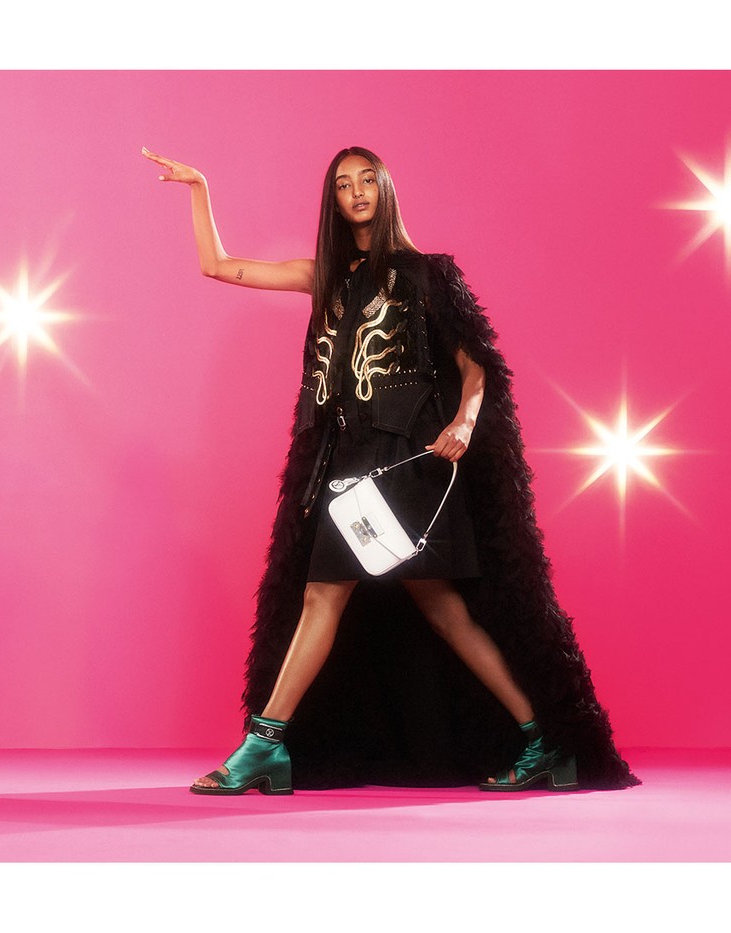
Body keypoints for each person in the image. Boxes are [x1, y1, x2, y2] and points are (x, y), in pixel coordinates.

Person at [143, 145, 637, 794]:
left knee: (366, 599)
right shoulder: (324, 276)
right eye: (343, 184)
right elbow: (217, 265)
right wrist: (200, 189)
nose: (356, 191)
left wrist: (464, 422)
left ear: (385, 189)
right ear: (333, 199)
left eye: (367, 179)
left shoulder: (428, 274)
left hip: (407, 463)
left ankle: (266, 744)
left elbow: (477, 362)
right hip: (348, 463)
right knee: (430, 606)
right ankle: (542, 739)